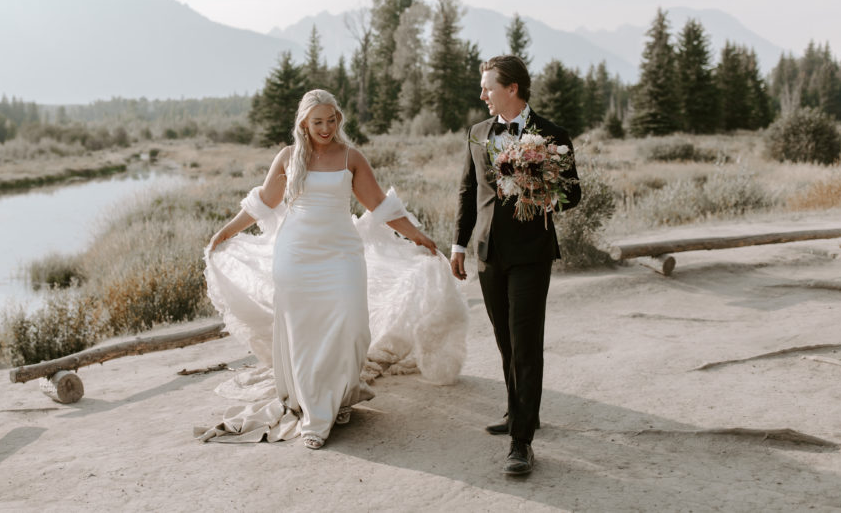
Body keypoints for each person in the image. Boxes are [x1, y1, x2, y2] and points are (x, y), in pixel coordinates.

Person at [198, 89, 466, 450]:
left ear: (339, 119)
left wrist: (418, 235)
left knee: (352, 328)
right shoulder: (289, 157)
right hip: (295, 256)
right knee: (304, 334)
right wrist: (225, 231)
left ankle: (338, 395)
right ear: (304, 124)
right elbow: (264, 201)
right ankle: (315, 417)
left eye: (331, 120)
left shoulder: (351, 157)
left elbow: (380, 205)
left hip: (341, 255)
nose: (326, 128)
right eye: (317, 122)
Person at [450, 55, 581, 476]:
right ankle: (518, 410)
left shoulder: (553, 135)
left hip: (531, 253)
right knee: (504, 338)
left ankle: (521, 441)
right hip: (489, 253)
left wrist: (542, 183)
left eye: (488, 86)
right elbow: (468, 193)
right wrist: (458, 244)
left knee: (526, 344)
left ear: (513, 89)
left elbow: (573, 194)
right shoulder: (477, 134)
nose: (482, 94)